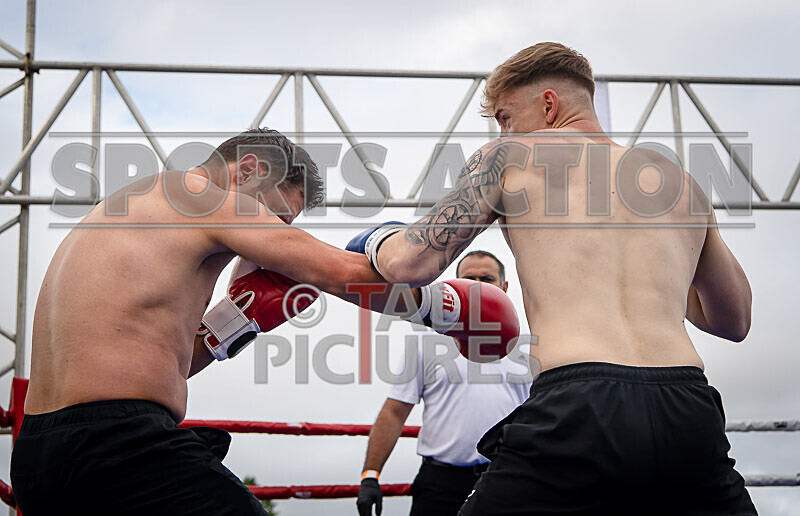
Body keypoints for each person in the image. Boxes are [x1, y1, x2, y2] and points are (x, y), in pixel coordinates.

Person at [10, 128, 519, 516]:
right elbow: (340, 274)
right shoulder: (202, 196)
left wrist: (237, 322)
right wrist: (444, 306)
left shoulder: (124, 213)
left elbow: (158, 366)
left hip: (42, 454)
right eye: (277, 218)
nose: (275, 235)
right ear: (247, 169)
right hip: (117, 449)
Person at [347, 43, 756, 515]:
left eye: (504, 116)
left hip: (578, 404)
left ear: (548, 104)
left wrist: (375, 238)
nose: (503, 129)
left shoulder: (509, 156)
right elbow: (734, 319)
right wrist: (657, 262)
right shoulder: (678, 181)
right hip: (688, 407)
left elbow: (409, 265)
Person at [356, 251, 530, 516]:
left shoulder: (526, 348)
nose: (479, 285)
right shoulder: (425, 341)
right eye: (470, 279)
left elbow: (544, 415)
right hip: (440, 480)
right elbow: (395, 410)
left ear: (504, 287)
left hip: (506, 477)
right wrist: (370, 475)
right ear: (457, 286)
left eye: (487, 278)